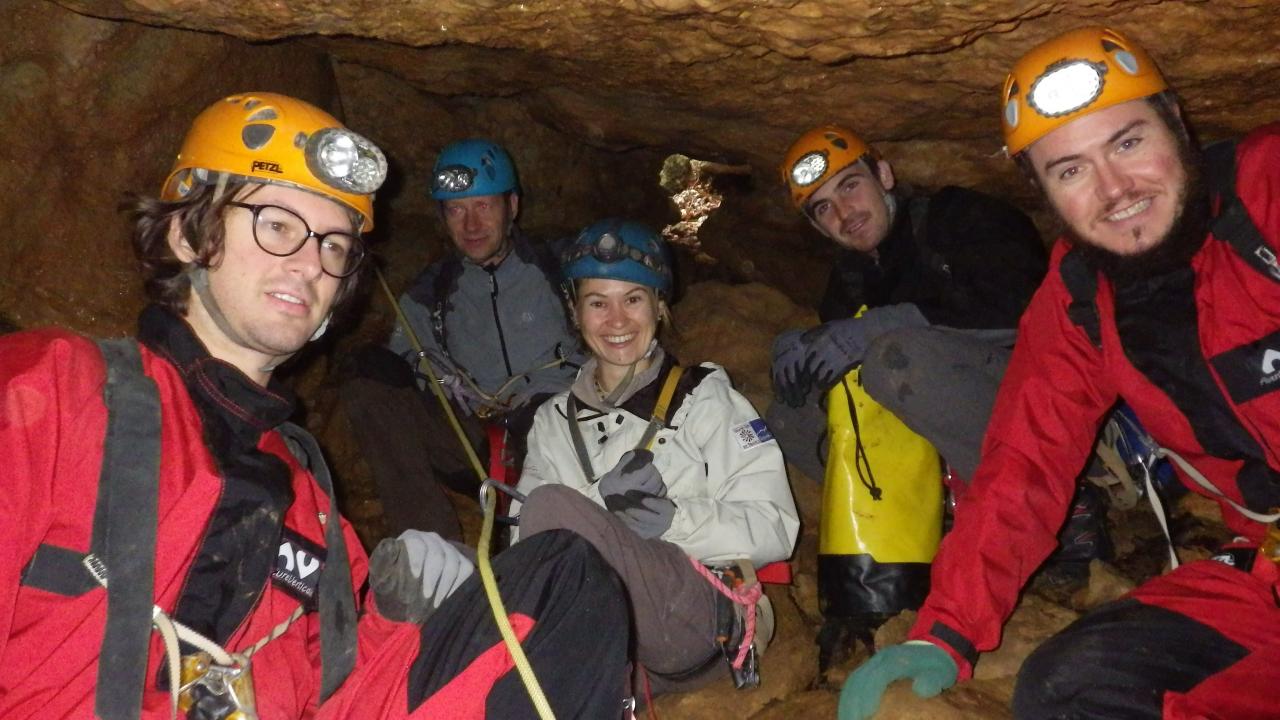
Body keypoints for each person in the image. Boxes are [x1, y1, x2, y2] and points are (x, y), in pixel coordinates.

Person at [0, 91, 629, 719]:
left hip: (540, 425)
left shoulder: (311, 506)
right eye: (277, 225)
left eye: (333, 244)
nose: (308, 262)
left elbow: (326, 698)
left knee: (566, 573)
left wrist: (392, 616)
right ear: (187, 235)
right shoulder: (56, 394)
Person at [839, 26, 1280, 720]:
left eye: (1128, 142)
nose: (1114, 188)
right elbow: (1023, 464)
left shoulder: (1266, 193)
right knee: (1068, 686)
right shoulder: (1080, 298)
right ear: (1047, 194)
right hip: (1266, 565)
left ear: (1178, 126)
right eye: (1070, 170)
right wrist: (945, 631)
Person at [511, 219, 801, 697]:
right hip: (611, 648)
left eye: (634, 299)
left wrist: (672, 521)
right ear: (574, 311)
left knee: (550, 507)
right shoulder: (552, 422)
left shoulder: (705, 400)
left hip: (697, 623)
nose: (617, 321)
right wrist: (602, 510)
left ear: (660, 305)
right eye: (597, 303)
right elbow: (526, 546)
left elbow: (776, 527)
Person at [771, 124, 1048, 486]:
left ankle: (1039, 497)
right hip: (938, 425)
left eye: (850, 186)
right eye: (824, 208)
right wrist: (804, 351)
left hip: (1033, 391)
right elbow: (843, 363)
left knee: (894, 356)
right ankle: (915, 522)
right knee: (788, 418)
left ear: (883, 175)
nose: (844, 212)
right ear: (820, 228)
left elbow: (1025, 306)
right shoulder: (848, 280)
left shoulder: (959, 216)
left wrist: (886, 324)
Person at [358, 138, 579, 537]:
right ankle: (432, 550)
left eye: (483, 206)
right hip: (476, 443)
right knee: (367, 375)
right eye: (457, 210)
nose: (471, 225)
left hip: (560, 431)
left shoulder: (562, 268)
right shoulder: (428, 296)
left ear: (512, 207)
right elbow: (407, 364)